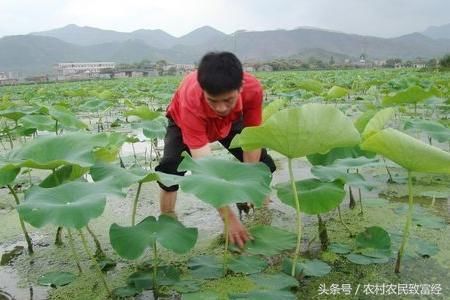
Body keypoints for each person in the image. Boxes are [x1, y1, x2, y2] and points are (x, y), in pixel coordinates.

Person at [155, 51, 276, 248]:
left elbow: (251, 140)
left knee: (264, 165)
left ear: (240, 87)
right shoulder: (191, 100)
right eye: (213, 100)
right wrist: (227, 217)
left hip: (231, 121)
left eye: (227, 100)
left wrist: (248, 188)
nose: (220, 107)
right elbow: (204, 168)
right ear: (203, 90)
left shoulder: (252, 89)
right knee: (169, 171)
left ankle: (263, 212)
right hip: (183, 121)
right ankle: (168, 218)